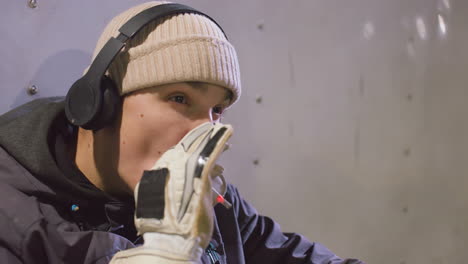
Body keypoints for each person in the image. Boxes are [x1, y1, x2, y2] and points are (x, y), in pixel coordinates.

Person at [0, 1, 365, 263]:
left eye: (217, 110)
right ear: (99, 103)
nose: (206, 129)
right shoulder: (14, 213)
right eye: (178, 97)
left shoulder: (210, 203)